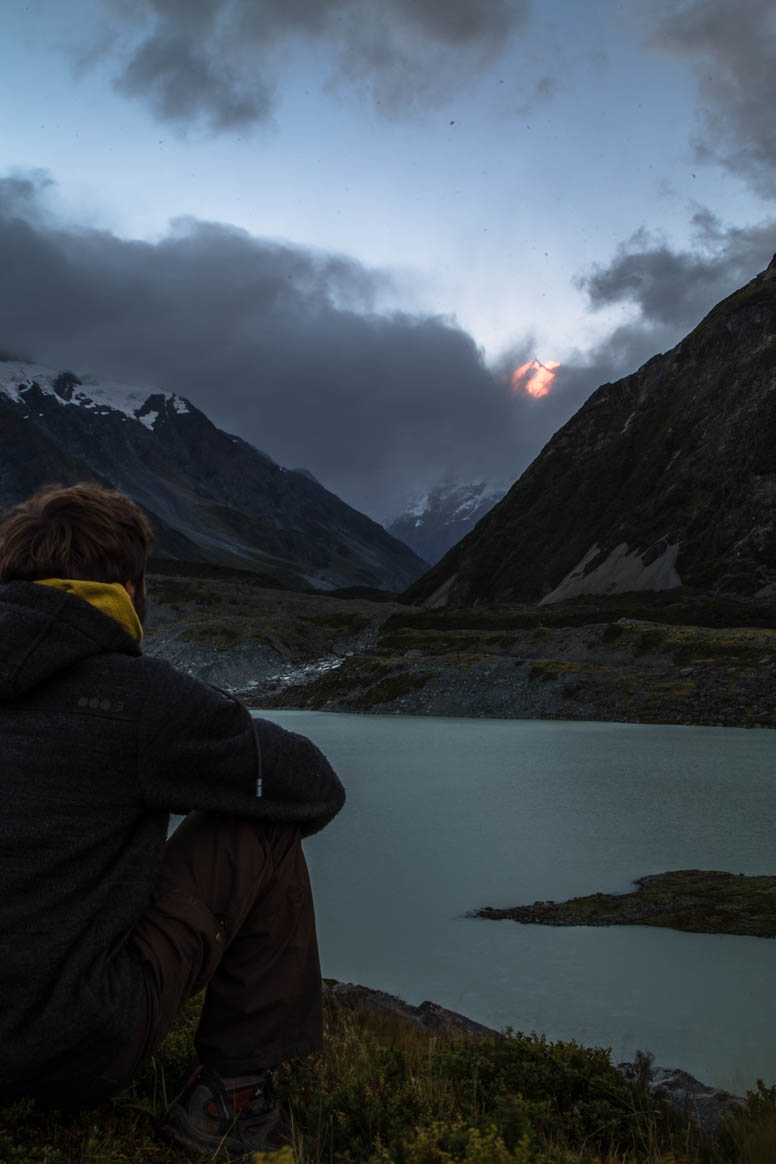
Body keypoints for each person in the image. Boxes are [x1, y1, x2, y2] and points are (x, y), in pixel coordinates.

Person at [0, 482, 346, 1157]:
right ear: (130, 586)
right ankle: (235, 1100)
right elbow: (313, 786)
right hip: (69, 1050)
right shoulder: (139, 700)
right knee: (262, 821)